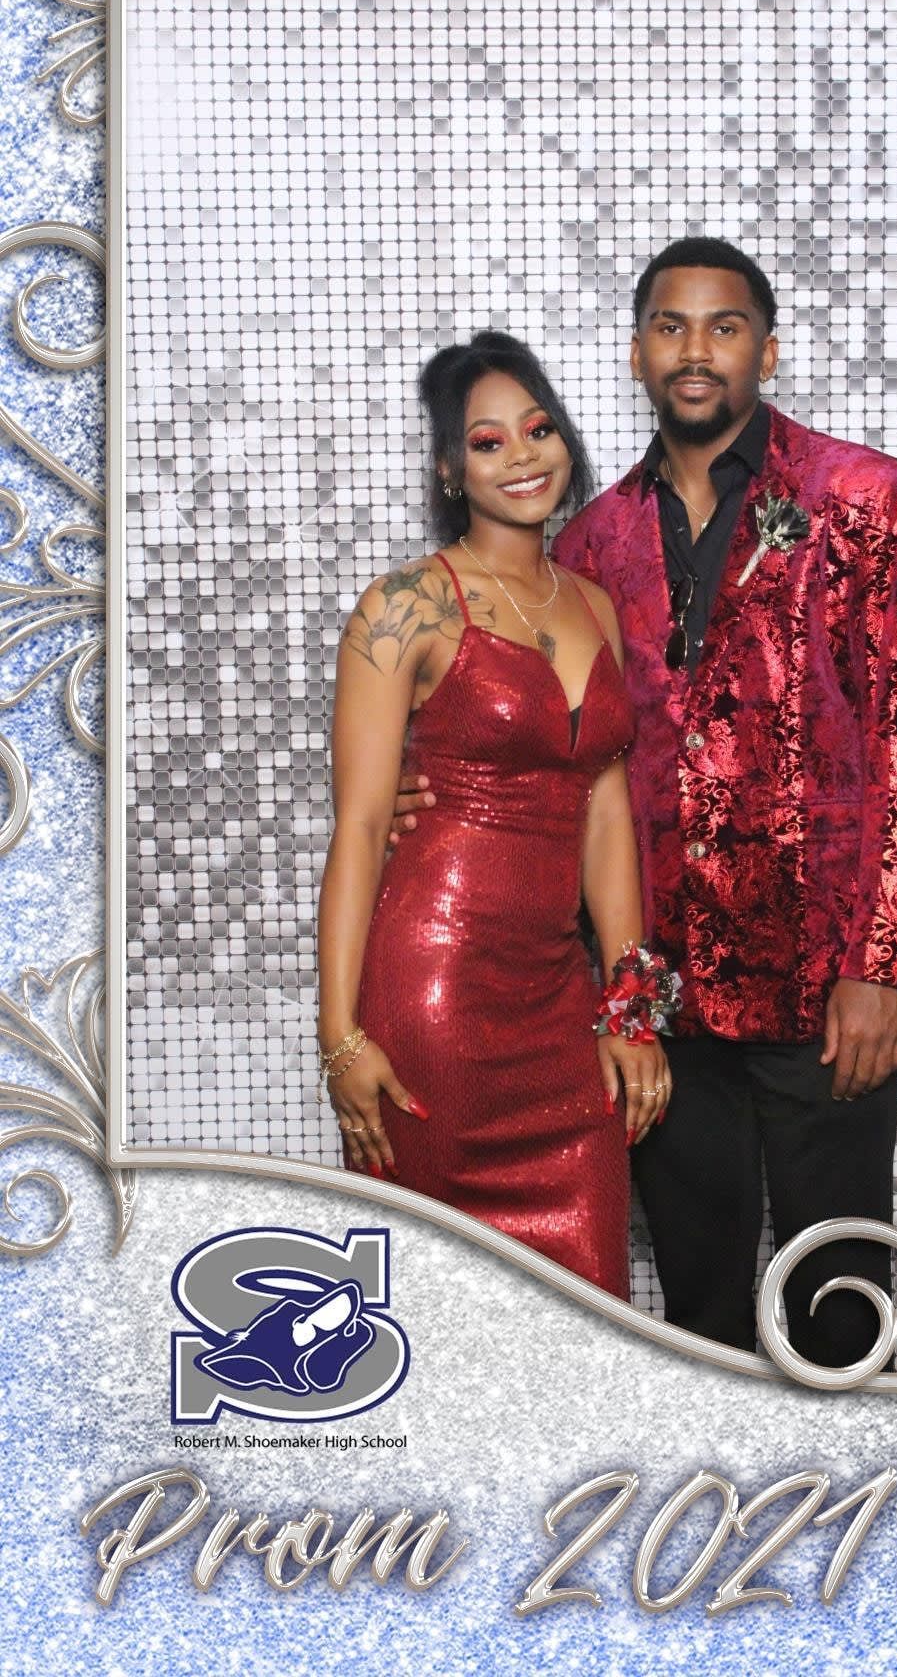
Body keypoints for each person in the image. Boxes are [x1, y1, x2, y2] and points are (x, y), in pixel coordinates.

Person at [394, 240, 897, 1363]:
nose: (696, 350)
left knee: (838, 1299)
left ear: (768, 348)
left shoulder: (866, 498)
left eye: (725, 325)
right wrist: (433, 790)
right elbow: (569, 744)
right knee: (693, 1313)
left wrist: (886, 963)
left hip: (824, 983)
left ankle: (840, 1520)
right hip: (659, 992)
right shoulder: (592, 540)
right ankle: (718, 1526)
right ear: (639, 353)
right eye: (671, 326)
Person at [318, 331, 671, 1301]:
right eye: (487, 441)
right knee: (440, 1312)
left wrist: (630, 1011)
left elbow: (607, 814)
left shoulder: (594, 607)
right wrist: (339, 1036)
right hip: (433, 1001)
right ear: (447, 467)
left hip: (558, 1005)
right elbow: (356, 828)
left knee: (590, 1312)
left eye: (538, 428)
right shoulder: (403, 607)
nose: (521, 455)